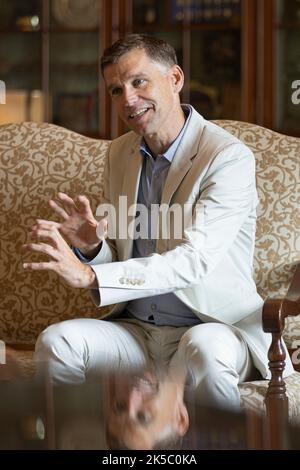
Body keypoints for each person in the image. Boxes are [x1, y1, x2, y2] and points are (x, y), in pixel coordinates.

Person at [23, 34, 293, 410]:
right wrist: (93, 249)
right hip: (135, 330)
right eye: (116, 90)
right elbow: (123, 258)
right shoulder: (120, 153)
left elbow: (195, 260)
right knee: (58, 341)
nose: (128, 99)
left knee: (206, 349)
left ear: (176, 79)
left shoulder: (227, 158)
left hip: (211, 326)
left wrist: (93, 277)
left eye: (139, 82)